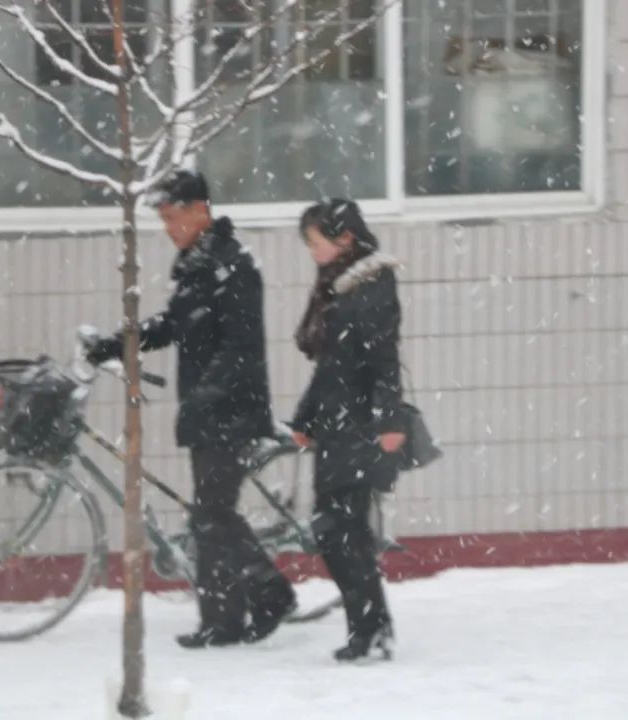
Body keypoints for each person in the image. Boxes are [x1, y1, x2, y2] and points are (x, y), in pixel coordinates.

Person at [86, 170, 296, 648]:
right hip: (209, 410)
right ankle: (223, 620)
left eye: (173, 217)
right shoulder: (198, 266)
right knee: (209, 517)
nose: (168, 228)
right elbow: (173, 325)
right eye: (162, 219)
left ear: (201, 209)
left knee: (211, 515)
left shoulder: (232, 266)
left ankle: (270, 594)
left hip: (232, 409)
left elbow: (241, 346)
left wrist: (206, 394)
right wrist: (117, 344)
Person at [289, 198, 405, 662]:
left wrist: (390, 419)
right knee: (342, 532)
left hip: (358, 425)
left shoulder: (371, 286)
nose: (312, 251)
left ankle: (369, 626)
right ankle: (371, 625)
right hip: (337, 422)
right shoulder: (339, 284)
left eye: (315, 242)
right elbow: (328, 365)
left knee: (338, 531)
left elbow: (384, 359)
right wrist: (305, 418)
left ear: (345, 239)